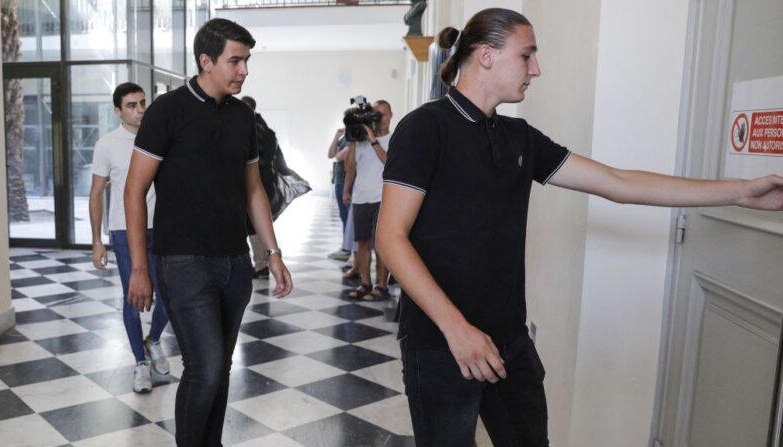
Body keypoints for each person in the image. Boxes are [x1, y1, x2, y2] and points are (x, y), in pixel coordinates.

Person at [376, 8, 783, 447]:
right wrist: (456, 329)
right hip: (440, 344)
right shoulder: (425, 128)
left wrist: (741, 191)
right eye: (526, 55)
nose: (536, 69)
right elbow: (390, 238)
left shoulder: (520, 137)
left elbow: (618, 182)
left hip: (509, 341)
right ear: (487, 56)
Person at [124, 18, 293, 447]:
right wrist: (139, 268)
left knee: (221, 368)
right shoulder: (168, 110)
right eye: (235, 61)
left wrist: (271, 253)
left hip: (234, 263)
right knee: (206, 366)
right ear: (206, 61)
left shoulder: (242, 117)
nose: (244, 70)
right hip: (183, 262)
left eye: (246, 61)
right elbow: (134, 188)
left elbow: (254, 189)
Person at [88, 82, 170, 394]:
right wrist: (98, 240)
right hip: (124, 232)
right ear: (118, 111)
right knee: (133, 297)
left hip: (161, 229)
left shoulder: (161, 139)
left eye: (142, 103)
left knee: (168, 295)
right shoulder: (106, 145)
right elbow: (96, 193)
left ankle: (155, 339)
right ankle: (140, 362)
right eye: (132, 105)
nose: (140, 111)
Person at [240, 96, 310, 279]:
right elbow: (279, 161)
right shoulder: (268, 131)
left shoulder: (249, 129)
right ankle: (263, 261)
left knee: (252, 223)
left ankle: (261, 264)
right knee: (258, 221)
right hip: (267, 182)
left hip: (254, 183)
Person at [343, 100, 393, 301]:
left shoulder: (394, 138)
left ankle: (382, 285)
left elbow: (390, 163)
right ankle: (365, 283)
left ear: (390, 115)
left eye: (382, 114)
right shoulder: (361, 140)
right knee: (362, 243)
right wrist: (354, 140)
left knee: (381, 245)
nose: (379, 118)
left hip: (383, 198)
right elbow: (350, 166)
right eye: (376, 114)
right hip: (361, 198)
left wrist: (373, 141)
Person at [327, 126, 353, 262]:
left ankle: (350, 249)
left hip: (349, 183)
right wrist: (336, 136)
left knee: (350, 219)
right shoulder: (343, 139)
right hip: (339, 182)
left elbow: (338, 157)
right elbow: (331, 154)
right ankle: (346, 247)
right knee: (344, 217)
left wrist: (339, 154)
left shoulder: (355, 139)